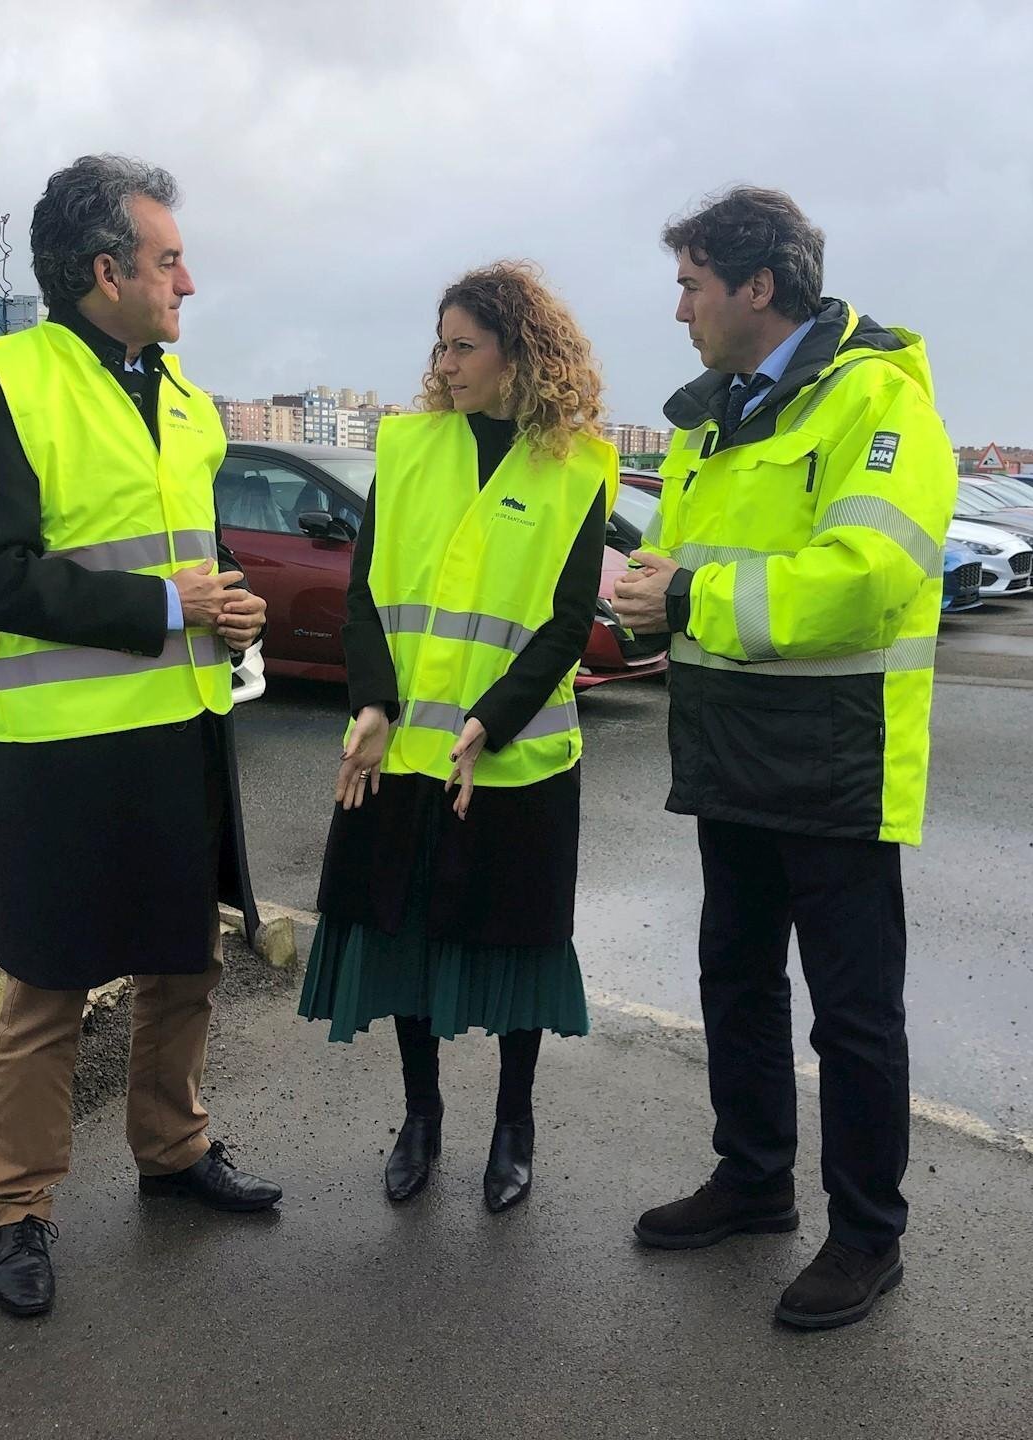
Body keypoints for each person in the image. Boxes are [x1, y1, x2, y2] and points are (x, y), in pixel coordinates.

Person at [0, 154, 282, 1320]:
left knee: (186, 959)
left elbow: (193, 547)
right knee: (50, 988)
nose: (190, 281)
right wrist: (173, 604)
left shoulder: (182, 397)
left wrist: (229, 601)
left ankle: (173, 1152)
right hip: (64, 748)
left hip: (183, 731)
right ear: (105, 270)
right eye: (170, 260)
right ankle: (17, 1210)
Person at [611, 186, 957, 1331]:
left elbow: (867, 576)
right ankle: (755, 1179)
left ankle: (866, 1235)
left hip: (835, 753)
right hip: (728, 747)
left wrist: (690, 595)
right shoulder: (711, 419)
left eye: (692, 286)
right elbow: (674, 565)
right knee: (738, 976)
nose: (680, 310)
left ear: (759, 287)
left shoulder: (877, 398)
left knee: (853, 1014)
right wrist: (642, 600)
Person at [298, 261, 617, 1214]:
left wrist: (492, 721)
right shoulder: (407, 447)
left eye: (463, 346)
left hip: (516, 756)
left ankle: (515, 1125)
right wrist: (373, 702)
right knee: (409, 935)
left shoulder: (579, 465)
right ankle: (422, 1116)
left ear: (520, 353)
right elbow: (365, 594)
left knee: (517, 943)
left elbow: (569, 620)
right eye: (439, 345)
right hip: (402, 749)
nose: (444, 364)